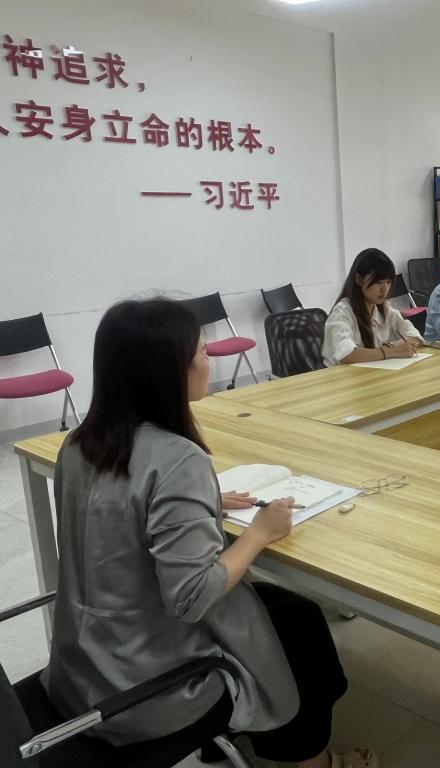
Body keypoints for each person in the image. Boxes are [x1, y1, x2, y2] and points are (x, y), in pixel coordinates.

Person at [43, 299, 376, 768]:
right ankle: (312, 761)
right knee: (299, 629)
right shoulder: (178, 458)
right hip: (143, 690)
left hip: (82, 670)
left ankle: (242, 743)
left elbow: (116, 513)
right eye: (201, 352)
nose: (209, 360)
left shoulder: (79, 444)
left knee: (288, 612)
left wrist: (200, 504)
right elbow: (192, 598)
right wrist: (259, 533)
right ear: (167, 372)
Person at [323, 248, 424, 365]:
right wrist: (391, 351)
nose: (384, 289)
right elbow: (346, 355)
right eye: (378, 282)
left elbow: (415, 336)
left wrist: (395, 346)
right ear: (358, 279)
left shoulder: (384, 308)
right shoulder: (342, 312)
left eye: (388, 282)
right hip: (342, 375)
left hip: (372, 372)